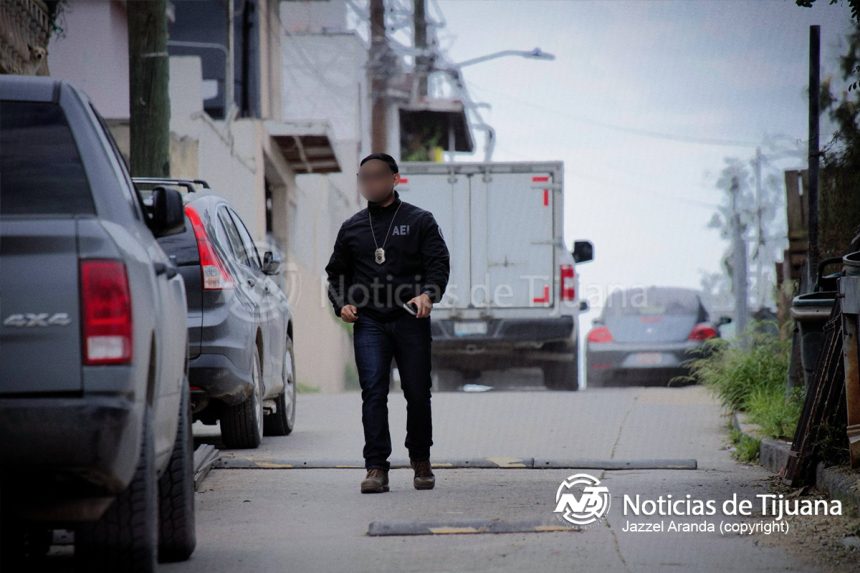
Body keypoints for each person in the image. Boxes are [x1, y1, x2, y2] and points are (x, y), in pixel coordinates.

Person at [324, 152, 450, 494]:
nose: (371, 183)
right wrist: (342, 303)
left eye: (378, 176)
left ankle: (421, 460)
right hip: (370, 322)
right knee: (374, 394)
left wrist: (428, 295)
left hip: (410, 319)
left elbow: (438, 264)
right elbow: (335, 274)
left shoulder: (421, 220)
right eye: (364, 177)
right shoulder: (351, 228)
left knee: (417, 393)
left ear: (395, 178)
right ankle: (376, 467)